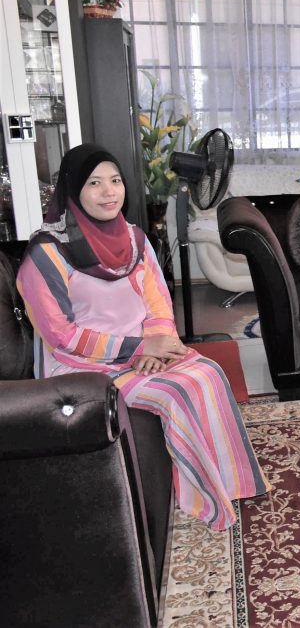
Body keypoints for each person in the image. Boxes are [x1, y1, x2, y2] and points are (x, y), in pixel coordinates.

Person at [17, 144, 269, 531]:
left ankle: (232, 484)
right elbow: (61, 334)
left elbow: (158, 301)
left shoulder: (134, 239)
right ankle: (202, 500)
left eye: (115, 181)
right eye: (94, 183)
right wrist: (138, 349)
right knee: (177, 392)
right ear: (72, 190)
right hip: (84, 366)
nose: (109, 192)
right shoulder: (47, 253)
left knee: (209, 373)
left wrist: (156, 344)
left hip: (145, 348)